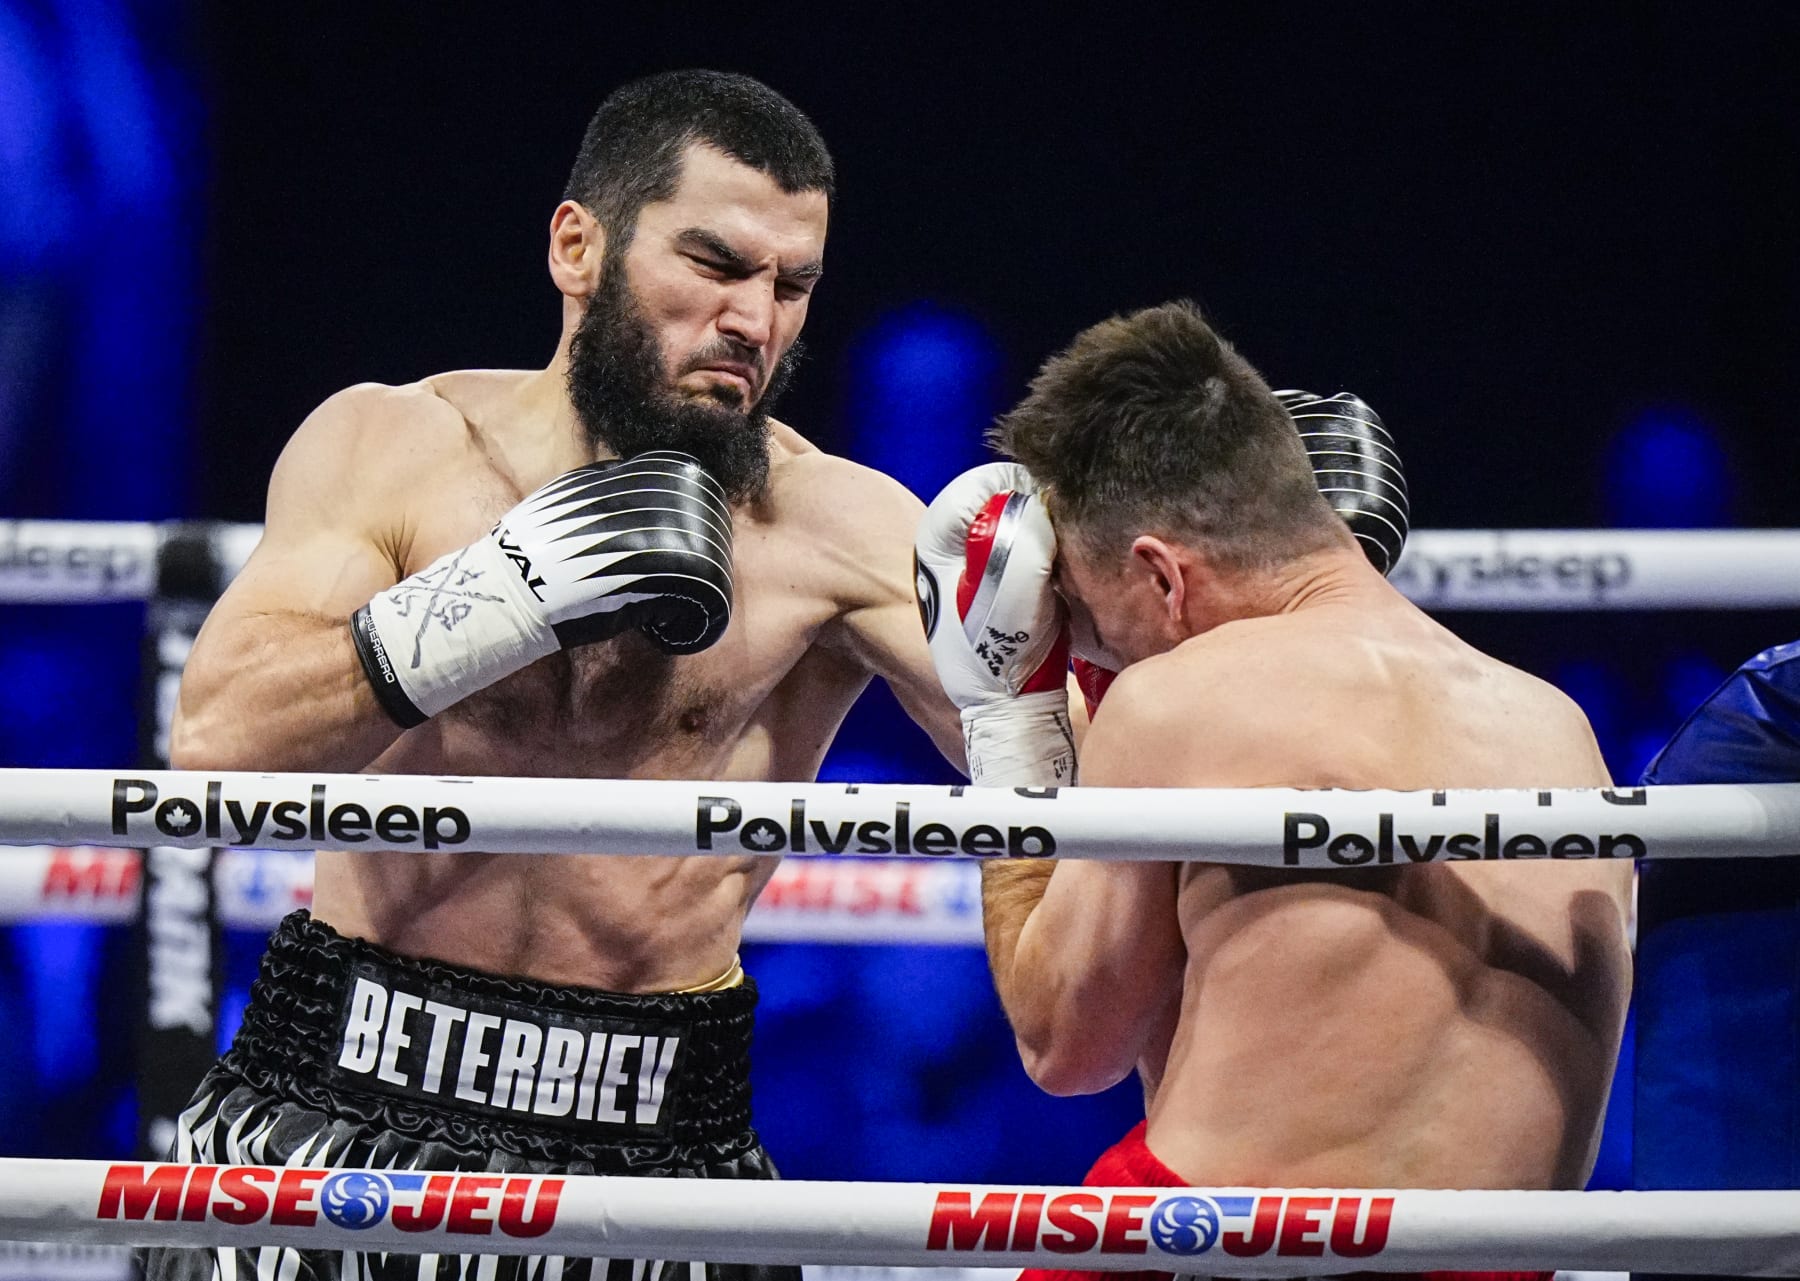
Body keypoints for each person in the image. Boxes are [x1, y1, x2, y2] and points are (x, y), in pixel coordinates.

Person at [151, 70, 961, 1281]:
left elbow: (1065, 767)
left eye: (791, 287)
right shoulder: (391, 448)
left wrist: (1071, 636)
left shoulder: (840, 528)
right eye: (715, 263)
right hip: (341, 1094)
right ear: (577, 247)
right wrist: (499, 599)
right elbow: (218, 740)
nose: (754, 320)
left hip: (655, 1148)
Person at [915, 300, 1633, 1281]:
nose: (1097, 653)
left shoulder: (1177, 698)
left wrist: (1012, 723)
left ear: (1162, 577)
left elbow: (1066, 1045)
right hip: (1505, 1261)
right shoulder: (1558, 726)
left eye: (1092, 618)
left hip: (1234, 1243)